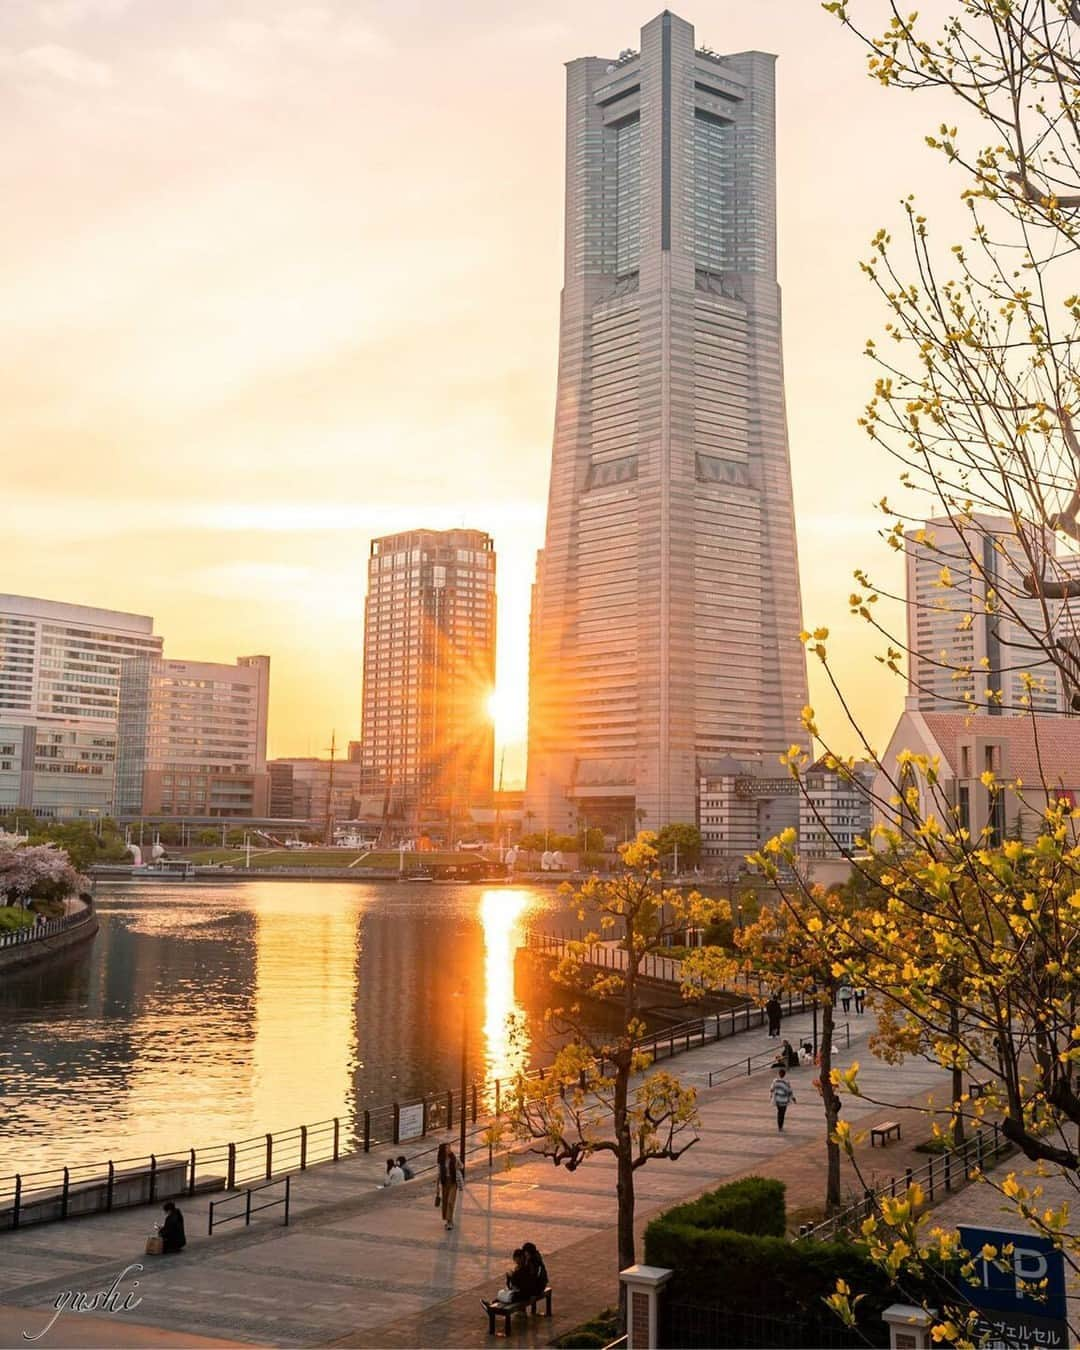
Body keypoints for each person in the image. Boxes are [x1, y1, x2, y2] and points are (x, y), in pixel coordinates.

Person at [435, 1142, 462, 1231]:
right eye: (447, 1148)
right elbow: (439, 1174)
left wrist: (457, 1165)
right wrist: (437, 1187)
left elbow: (462, 1166)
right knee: (445, 1202)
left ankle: (450, 1222)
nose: (449, 1149)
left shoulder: (453, 1158)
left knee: (451, 1201)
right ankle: (448, 1220)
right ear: (443, 1150)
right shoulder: (441, 1161)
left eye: (449, 1147)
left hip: (453, 1182)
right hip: (444, 1182)